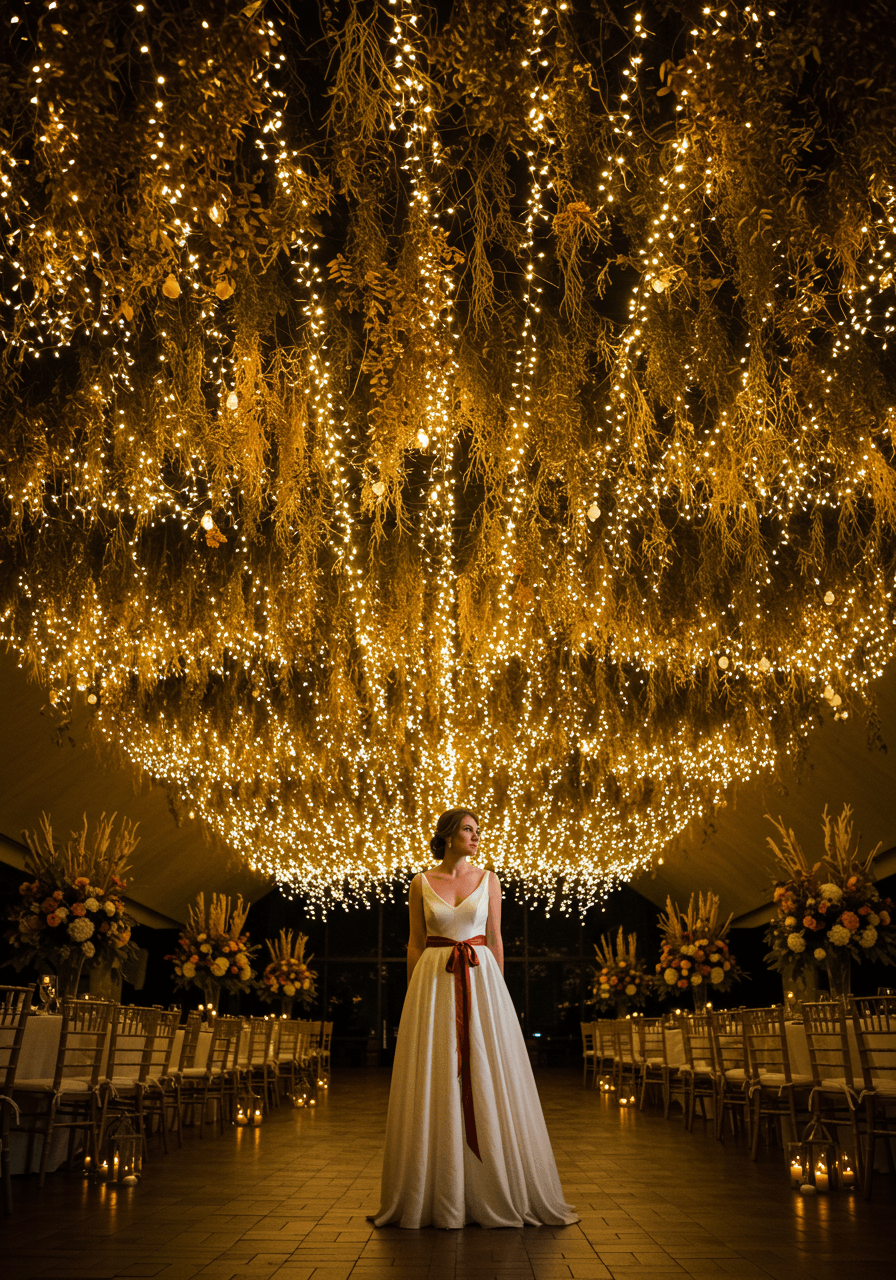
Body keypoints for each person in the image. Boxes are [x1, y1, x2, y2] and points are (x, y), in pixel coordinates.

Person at [373, 807, 578, 1229]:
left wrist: (497, 996)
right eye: (468, 829)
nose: (476, 836)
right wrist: (413, 996)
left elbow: (496, 938)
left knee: (483, 1070)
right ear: (448, 835)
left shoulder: (489, 880)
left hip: (480, 981)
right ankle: (436, 1188)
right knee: (438, 1072)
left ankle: (492, 1185)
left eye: (478, 830)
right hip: (433, 984)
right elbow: (415, 942)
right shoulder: (420, 882)